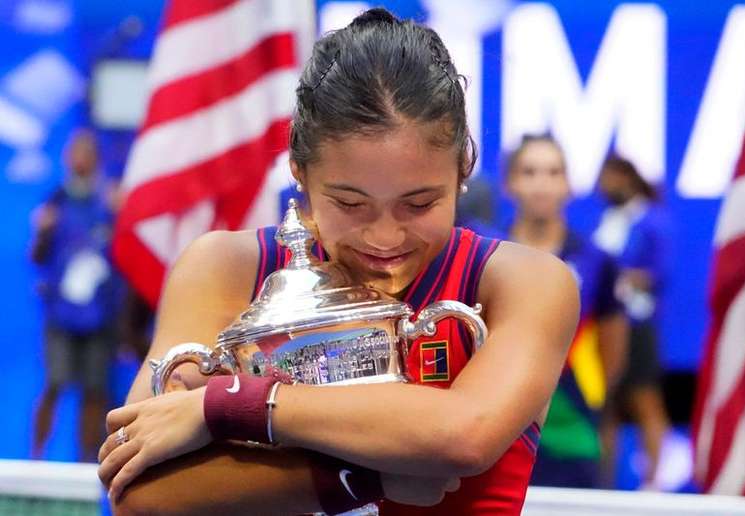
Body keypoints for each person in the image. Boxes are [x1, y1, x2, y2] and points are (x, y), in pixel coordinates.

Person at [97, 9, 579, 515]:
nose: (385, 236)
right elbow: (137, 489)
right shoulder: (224, 267)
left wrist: (225, 405)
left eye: (419, 204)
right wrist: (359, 477)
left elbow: (464, 436)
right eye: (351, 204)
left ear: (464, 166)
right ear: (299, 170)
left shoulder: (524, 282)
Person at [503, 135, 628, 488]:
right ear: (510, 183)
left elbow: (612, 357)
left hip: (574, 433)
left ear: (568, 184)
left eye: (553, 172)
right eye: (530, 172)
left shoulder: (597, 260)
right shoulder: (487, 254)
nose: (541, 184)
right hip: (500, 434)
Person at [30, 129, 121, 462]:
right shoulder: (55, 201)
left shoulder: (109, 202)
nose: (79, 158)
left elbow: (123, 256)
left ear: (96, 157)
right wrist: (43, 231)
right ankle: (35, 458)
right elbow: (37, 257)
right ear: (67, 157)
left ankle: (86, 462)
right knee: (54, 384)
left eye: (86, 152)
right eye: (74, 151)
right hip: (61, 315)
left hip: (100, 315)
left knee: (95, 390)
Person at [593, 155, 672, 489]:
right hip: (606, 323)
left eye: (607, 178)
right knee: (604, 403)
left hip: (637, 324)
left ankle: (653, 484)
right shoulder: (611, 218)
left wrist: (620, 278)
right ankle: (602, 485)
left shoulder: (651, 220)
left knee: (644, 399)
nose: (601, 186)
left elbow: (659, 272)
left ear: (625, 177)